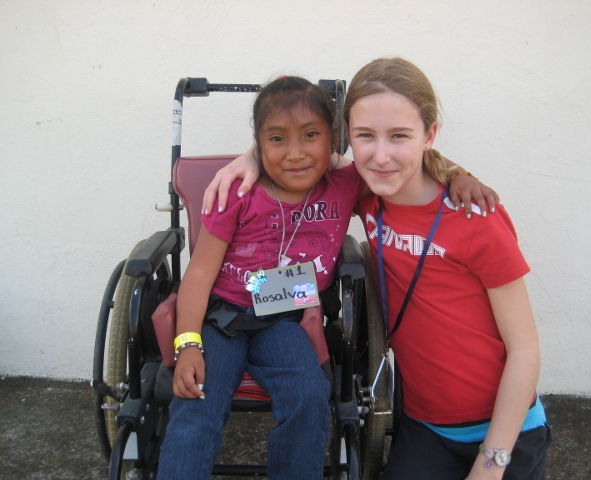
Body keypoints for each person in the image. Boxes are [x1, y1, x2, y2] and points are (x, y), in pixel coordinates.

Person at [203, 58, 550, 480]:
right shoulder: (367, 194)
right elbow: (298, 156)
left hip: (505, 433)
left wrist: (492, 462)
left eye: (399, 136)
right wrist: (252, 157)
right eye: (366, 136)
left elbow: (525, 350)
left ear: (430, 135)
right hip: (426, 429)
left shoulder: (475, 217)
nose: (381, 156)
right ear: (347, 136)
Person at [157, 76, 368, 480]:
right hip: (224, 319)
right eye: (276, 139)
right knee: (198, 401)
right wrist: (188, 344)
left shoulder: (345, 185)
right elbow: (199, 273)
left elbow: (401, 172)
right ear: (257, 142)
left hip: (285, 320)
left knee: (310, 395)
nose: (295, 153)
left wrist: (456, 175)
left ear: (333, 137)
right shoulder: (238, 192)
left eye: (311, 135)